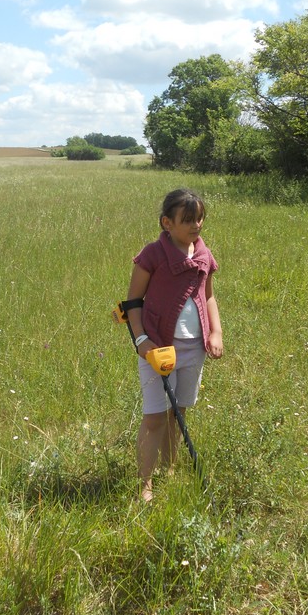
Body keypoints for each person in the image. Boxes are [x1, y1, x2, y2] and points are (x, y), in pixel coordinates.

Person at [124, 188, 223, 502]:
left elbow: (208, 296)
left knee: (177, 412)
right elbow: (132, 302)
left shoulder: (204, 254)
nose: (196, 226)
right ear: (167, 223)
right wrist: (142, 340)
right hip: (158, 349)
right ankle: (145, 483)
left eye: (200, 219)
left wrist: (216, 332)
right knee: (155, 416)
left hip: (194, 348)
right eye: (188, 220)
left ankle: (170, 467)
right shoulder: (154, 254)